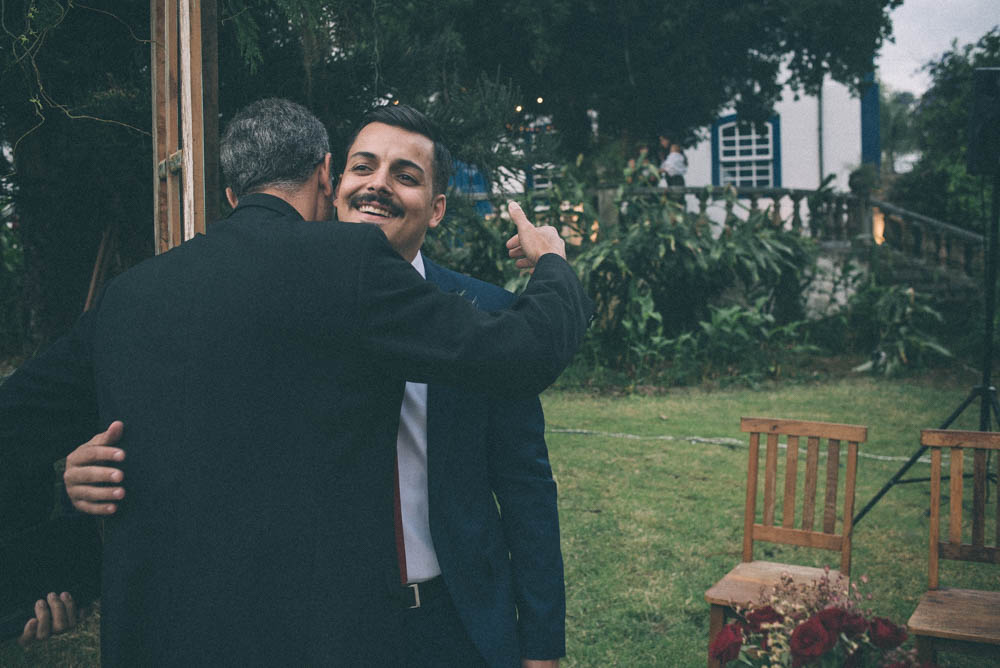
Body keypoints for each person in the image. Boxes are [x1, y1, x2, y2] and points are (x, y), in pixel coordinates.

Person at [0, 97, 591, 666]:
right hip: (322, 633)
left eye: (405, 174)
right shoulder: (337, 272)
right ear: (328, 178)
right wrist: (552, 268)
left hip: (429, 621)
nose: (379, 184)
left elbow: (525, 486)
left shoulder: (132, 294)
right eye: (363, 166)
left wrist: (30, 569)